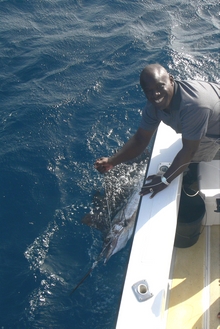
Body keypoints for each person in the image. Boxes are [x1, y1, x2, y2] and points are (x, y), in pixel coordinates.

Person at [94, 64, 220, 198]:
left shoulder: (194, 106)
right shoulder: (153, 106)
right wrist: (112, 161)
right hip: (210, 116)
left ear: (171, 80)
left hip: (214, 129)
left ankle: (191, 181)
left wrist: (164, 180)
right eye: (149, 90)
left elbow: (189, 150)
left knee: (193, 159)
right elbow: (140, 140)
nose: (156, 94)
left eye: (160, 86)